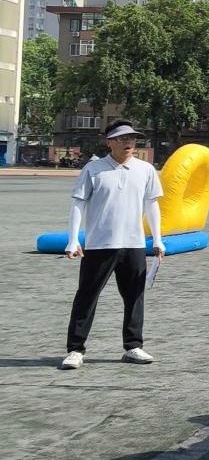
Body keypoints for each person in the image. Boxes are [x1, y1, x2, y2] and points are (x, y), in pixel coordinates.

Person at [60, 120, 164, 370]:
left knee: (134, 297)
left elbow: (152, 204)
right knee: (87, 296)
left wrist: (158, 239)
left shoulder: (146, 170)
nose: (129, 143)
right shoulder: (93, 169)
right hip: (100, 244)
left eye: (132, 139)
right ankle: (75, 349)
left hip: (134, 244)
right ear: (109, 142)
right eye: (122, 139)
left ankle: (133, 346)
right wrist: (73, 240)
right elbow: (78, 204)